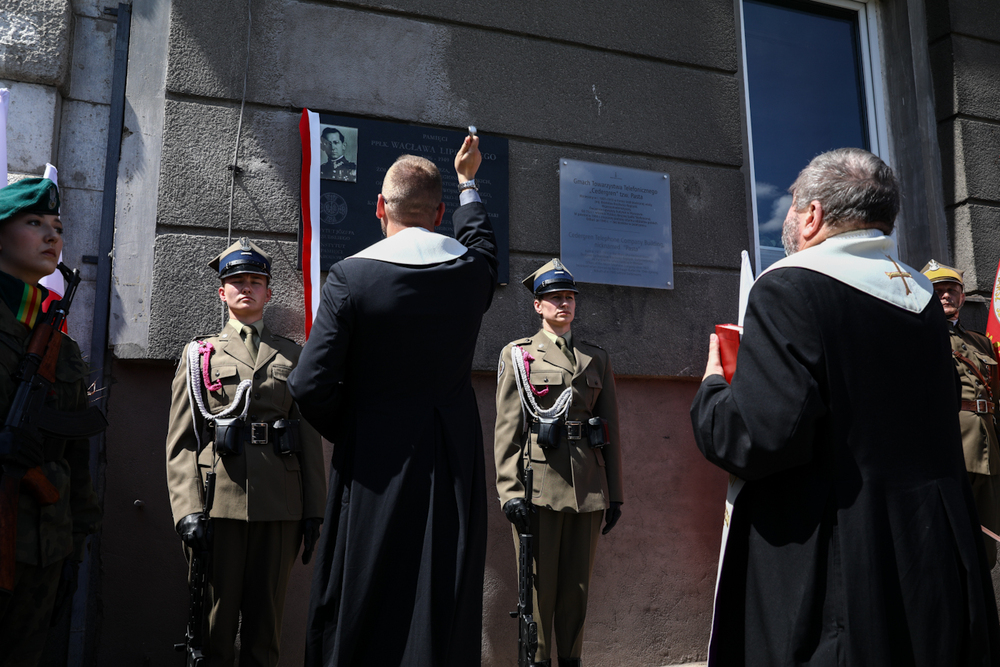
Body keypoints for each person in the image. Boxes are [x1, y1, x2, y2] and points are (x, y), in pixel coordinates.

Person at [690, 148, 1000, 666]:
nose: (786, 218)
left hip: (835, 570)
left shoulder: (788, 286)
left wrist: (713, 390)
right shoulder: (922, 298)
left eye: (790, 205)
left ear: (812, 215)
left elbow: (759, 439)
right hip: (925, 561)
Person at [287, 135, 497, 666]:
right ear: (440, 213)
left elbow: (310, 383)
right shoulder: (471, 274)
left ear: (380, 208)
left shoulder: (352, 278)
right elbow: (482, 243)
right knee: (441, 587)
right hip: (451, 459)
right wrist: (469, 180)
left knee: (367, 588)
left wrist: (355, 427)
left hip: (374, 462)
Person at [165, 238, 326, 667]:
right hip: (218, 502)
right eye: (236, 281)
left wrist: (314, 511)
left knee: (265, 628)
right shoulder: (199, 355)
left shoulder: (293, 355)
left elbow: (309, 439)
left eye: (256, 281)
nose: (246, 288)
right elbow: (182, 441)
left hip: (280, 505)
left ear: (269, 293)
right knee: (214, 627)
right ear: (222, 292)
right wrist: (187, 510)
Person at [494, 259, 623, 667]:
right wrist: (511, 492)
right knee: (538, 592)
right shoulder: (519, 355)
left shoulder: (595, 358)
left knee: (576, 594)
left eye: (569, 297)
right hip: (540, 489)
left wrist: (615, 494)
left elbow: (611, 431)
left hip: (587, 488)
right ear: (538, 306)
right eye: (555, 298)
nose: (564, 304)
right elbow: (508, 431)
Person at [0, 178, 101, 665]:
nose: (51, 237)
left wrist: (76, 542)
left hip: (44, 545)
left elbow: (76, 454)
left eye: (57, 228)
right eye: (34, 223)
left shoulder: (62, 346)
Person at [922, 259, 1000, 567]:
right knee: (948, 543)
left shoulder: (981, 342)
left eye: (951, 290)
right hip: (949, 448)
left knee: (986, 546)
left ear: (962, 296)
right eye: (937, 290)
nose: (945, 296)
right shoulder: (919, 337)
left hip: (989, 451)